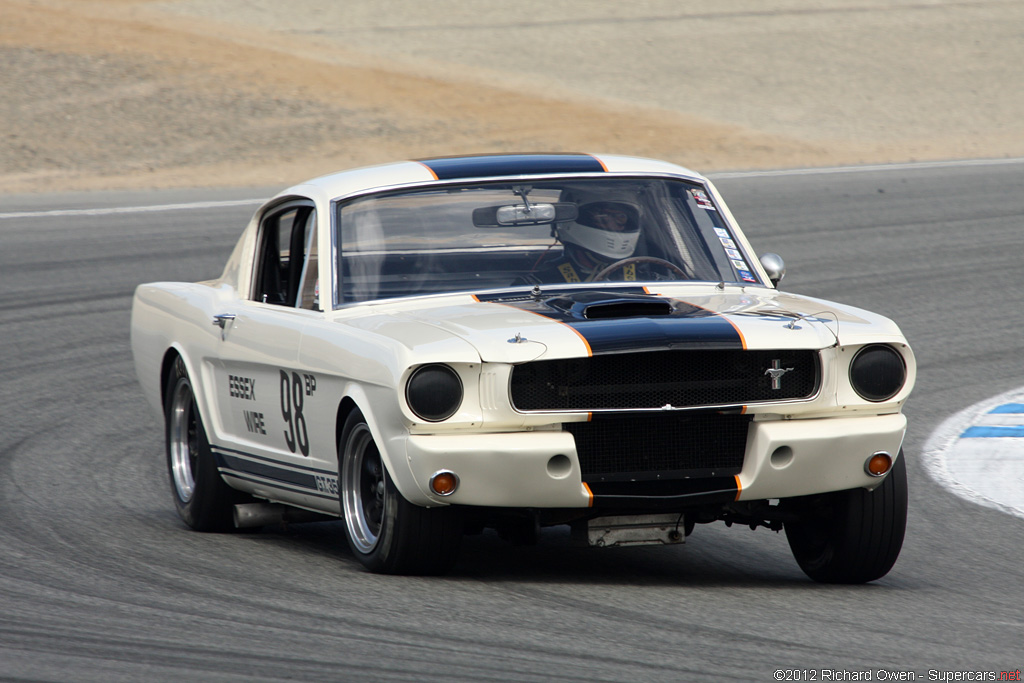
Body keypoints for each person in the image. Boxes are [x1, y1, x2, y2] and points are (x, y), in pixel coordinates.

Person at [528, 198, 645, 283]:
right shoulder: (547, 278)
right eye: (603, 218)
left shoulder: (644, 274)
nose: (614, 225)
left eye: (621, 218)